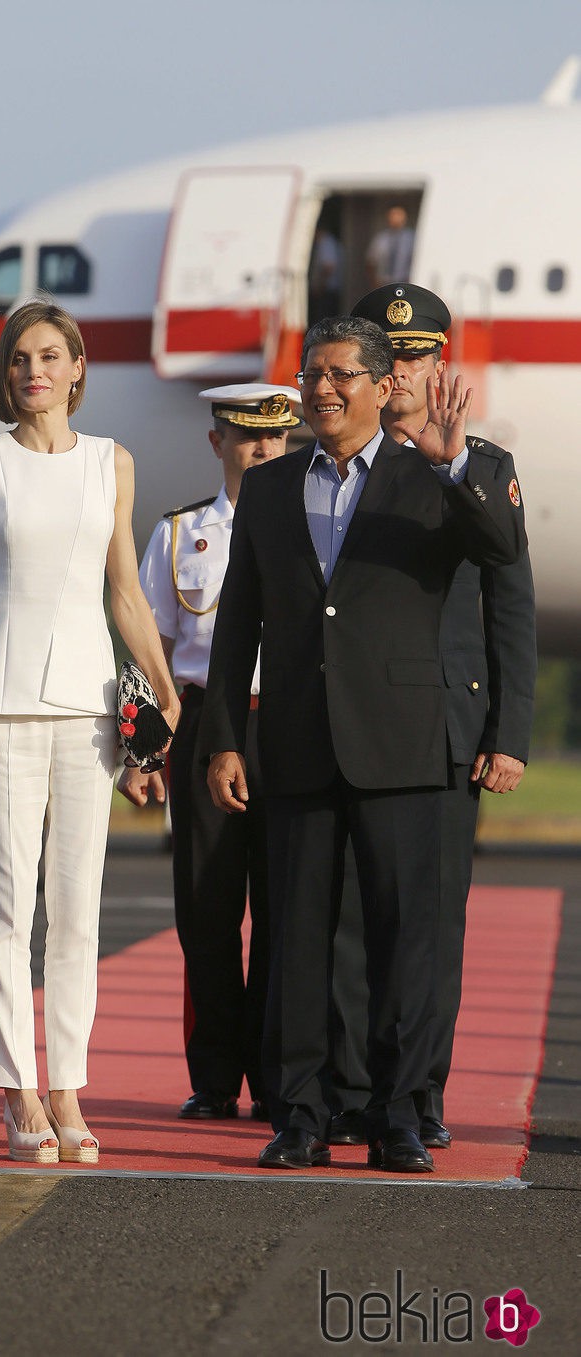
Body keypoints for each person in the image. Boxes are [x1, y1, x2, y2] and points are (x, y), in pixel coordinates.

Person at [199, 315, 526, 1173]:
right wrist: (227, 737)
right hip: (301, 740)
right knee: (299, 938)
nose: (322, 390)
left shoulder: (437, 475)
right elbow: (238, 624)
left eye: (341, 375)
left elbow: (501, 552)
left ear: (383, 389)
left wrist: (453, 464)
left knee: (402, 938)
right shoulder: (269, 489)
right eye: (312, 375)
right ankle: (301, 1114)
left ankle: (398, 1115)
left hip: (406, 740)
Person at [0, 299, 178, 1164]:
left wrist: (165, 692)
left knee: (76, 910)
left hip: (87, 706)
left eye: (48, 355)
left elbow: (125, 591)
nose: (32, 370)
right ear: (5, 378)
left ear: (77, 366)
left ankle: (69, 1083)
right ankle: (18, 1090)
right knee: (7, 905)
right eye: (17, 359)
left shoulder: (113, 464)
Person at [325, 284, 537, 1150]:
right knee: (342, 919)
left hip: (449, 727)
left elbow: (508, 602)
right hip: (352, 721)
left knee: (428, 922)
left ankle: (419, 1090)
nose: (405, 370)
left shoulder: (477, 464)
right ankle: (348, 1089)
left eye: (417, 355)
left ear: (438, 362)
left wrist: (508, 734)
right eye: (392, 354)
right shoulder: (333, 464)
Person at [121, 384, 302, 1123]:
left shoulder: (309, 529)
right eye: (247, 435)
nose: (263, 450)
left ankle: (279, 1075)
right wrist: (139, 752)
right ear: (216, 441)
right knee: (207, 907)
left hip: (290, 727)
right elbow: (144, 651)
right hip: (202, 725)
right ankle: (216, 1076)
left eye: (276, 438)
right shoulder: (176, 533)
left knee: (289, 908)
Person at [365, 206, 416, 288]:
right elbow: (371, 262)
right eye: (393, 217)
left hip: (405, 283)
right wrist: (374, 282)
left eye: (399, 217)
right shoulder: (381, 238)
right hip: (384, 283)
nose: (396, 220)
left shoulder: (411, 238)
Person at [307, 225, 343, 326]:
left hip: (327, 289)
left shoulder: (327, 243)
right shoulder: (325, 243)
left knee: (324, 319)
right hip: (326, 288)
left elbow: (328, 267)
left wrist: (320, 285)